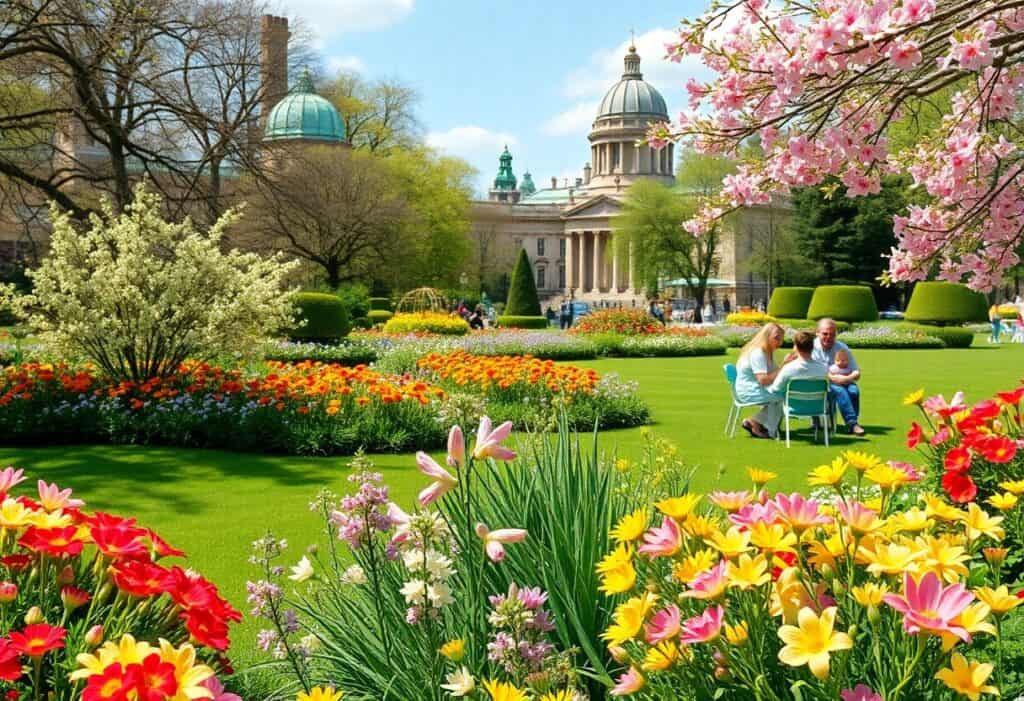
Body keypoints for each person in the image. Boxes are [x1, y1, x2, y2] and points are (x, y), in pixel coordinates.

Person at [812, 318, 865, 436]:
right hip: (822, 382)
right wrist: (835, 379)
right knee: (840, 391)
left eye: (832, 334)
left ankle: (852, 424)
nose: (828, 337)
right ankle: (852, 424)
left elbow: (856, 371)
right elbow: (816, 371)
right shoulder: (812, 347)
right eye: (825, 334)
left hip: (845, 380)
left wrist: (846, 379)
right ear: (817, 333)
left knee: (854, 391)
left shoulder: (842, 348)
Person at [734, 322, 785, 438]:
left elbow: (774, 374)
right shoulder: (758, 353)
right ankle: (770, 430)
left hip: (752, 388)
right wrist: (784, 366)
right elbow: (763, 379)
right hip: (748, 390)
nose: (780, 343)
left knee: (781, 394)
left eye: (781, 339)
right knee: (781, 397)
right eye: (777, 338)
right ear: (767, 336)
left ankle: (756, 422)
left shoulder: (767, 352)